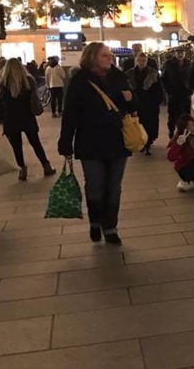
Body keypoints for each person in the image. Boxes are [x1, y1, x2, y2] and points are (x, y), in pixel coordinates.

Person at [58, 42, 138, 245]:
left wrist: (130, 100)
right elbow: (70, 115)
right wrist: (65, 142)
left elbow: (133, 106)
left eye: (110, 55)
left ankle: (110, 227)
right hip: (90, 142)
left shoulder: (118, 77)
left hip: (117, 140)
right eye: (105, 55)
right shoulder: (79, 81)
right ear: (92, 58)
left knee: (114, 187)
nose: (110, 58)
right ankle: (95, 221)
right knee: (95, 186)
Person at [0, 58, 56, 181]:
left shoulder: (3, 82)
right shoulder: (28, 80)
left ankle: (22, 170)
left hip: (11, 118)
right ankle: (46, 166)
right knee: (35, 143)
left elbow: (1, 103)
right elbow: (34, 97)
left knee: (16, 146)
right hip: (27, 116)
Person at [126, 51, 163, 155]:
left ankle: (148, 142)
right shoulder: (129, 74)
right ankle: (141, 142)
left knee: (150, 123)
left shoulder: (153, 73)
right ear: (136, 61)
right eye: (139, 60)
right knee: (138, 123)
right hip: (136, 102)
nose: (141, 62)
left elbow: (158, 88)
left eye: (143, 60)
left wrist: (157, 100)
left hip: (150, 102)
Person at [161, 46, 191, 137]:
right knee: (173, 114)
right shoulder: (169, 64)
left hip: (185, 92)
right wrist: (168, 90)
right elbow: (163, 78)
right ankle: (171, 130)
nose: (180, 54)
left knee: (186, 113)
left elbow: (192, 77)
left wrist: (191, 90)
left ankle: (184, 131)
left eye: (182, 53)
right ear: (175, 54)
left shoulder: (188, 63)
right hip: (173, 92)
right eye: (178, 53)